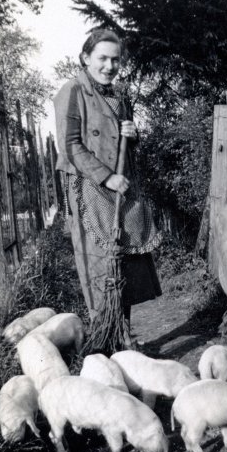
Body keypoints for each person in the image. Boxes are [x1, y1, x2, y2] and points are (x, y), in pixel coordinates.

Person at [53, 29, 162, 345]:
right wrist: (105, 176)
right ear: (86, 58)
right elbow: (70, 145)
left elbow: (122, 145)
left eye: (115, 59)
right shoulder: (72, 91)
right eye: (102, 58)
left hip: (121, 187)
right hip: (90, 188)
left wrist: (132, 133)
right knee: (102, 269)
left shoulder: (118, 94)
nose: (109, 65)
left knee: (124, 260)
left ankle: (123, 337)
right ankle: (105, 344)